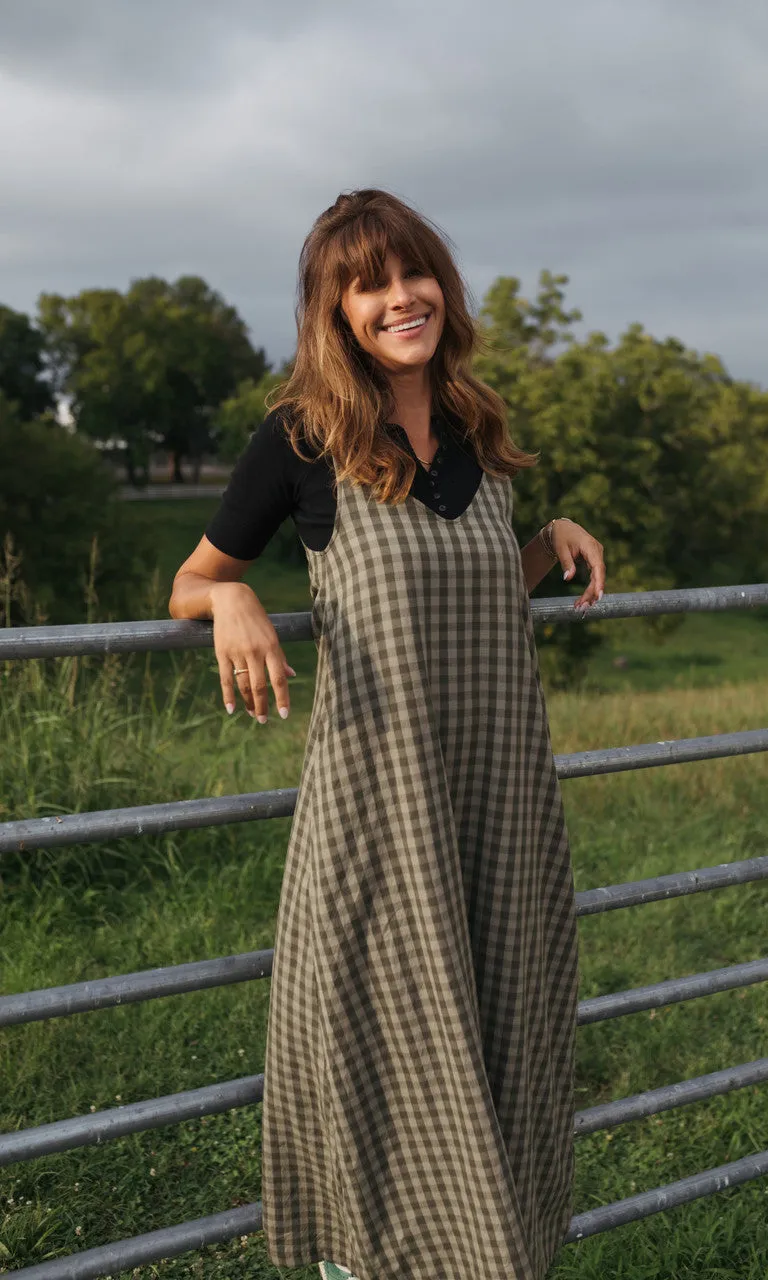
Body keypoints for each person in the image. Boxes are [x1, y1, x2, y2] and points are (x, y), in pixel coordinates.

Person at [169, 189, 606, 1280]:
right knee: (387, 1047)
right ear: (337, 308)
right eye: (368, 284)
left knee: (508, 1029)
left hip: (498, 801)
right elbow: (192, 577)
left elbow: (461, 604)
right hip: (381, 809)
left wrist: (544, 539)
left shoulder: (473, 427)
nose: (398, 297)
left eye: (412, 274)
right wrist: (228, 600)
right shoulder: (303, 438)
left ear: (441, 287)